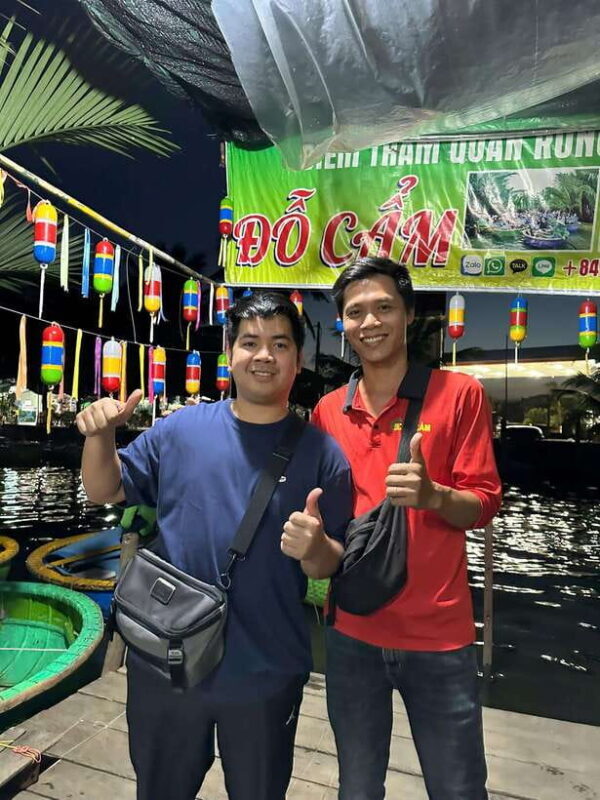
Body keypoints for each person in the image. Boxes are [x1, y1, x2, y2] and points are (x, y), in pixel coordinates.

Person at [76, 292, 352, 800]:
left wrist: (314, 547)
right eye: (250, 342)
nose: (264, 355)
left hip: (266, 669)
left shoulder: (323, 453)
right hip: (167, 659)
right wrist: (100, 437)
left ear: (298, 359)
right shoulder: (179, 430)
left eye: (279, 344)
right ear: (230, 353)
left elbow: (330, 563)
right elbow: (105, 489)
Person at [312, 256, 502, 800]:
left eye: (384, 308)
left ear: (409, 314)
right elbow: (328, 520)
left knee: (458, 787)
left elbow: (483, 504)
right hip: (351, 632)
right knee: (357, 786)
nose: (369, 322)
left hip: (438, 637)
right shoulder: (328, 410)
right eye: (355, 312)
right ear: (343, 323)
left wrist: (433, 495)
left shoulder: (460, 393)